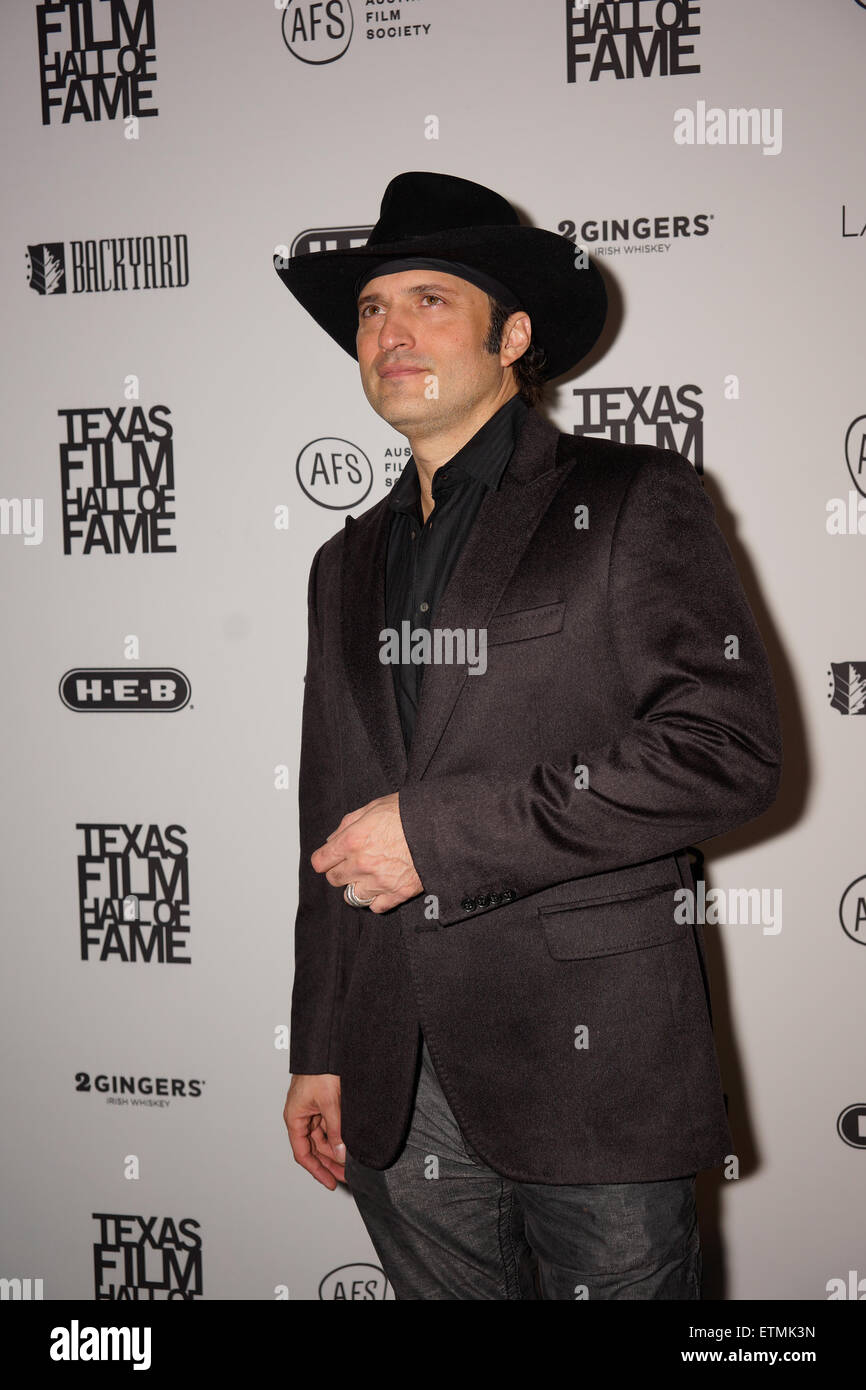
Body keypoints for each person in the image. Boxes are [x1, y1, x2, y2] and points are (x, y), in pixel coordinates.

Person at [274, 171, 782, 1300]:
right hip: (394, 1073)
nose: (388, 332)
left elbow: (724, 749)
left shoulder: (634, 498)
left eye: (426, 301)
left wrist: (440, 836)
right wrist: (318, 1039)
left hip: (590, 1070)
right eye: (369, 309)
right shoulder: (339, 564)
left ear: (512, 336)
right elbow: (332, 815)